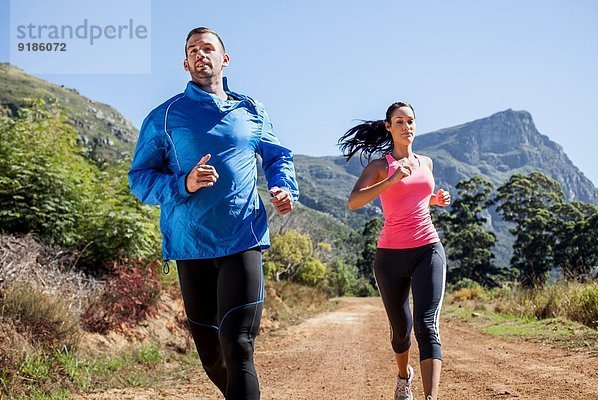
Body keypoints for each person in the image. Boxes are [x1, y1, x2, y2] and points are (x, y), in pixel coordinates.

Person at [128, 27, 298, 400]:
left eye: (208, 48)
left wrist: (283, 187)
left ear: (225, 59)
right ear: (185, 63)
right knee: (212, 357)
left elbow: (277, 156)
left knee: (238, 344)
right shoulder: (165, 117)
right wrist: (183, 184)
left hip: (243, 238)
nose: (201, 54)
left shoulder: (250, 110)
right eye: (193, 50)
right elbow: (139, 179)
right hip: (191, 246)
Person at [339, 102, 450, 400]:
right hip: (390, 256)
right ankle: (404, 376)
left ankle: (431, 397)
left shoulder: (426, 163)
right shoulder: (379, 166)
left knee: (427, 325)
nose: (406, 126)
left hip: (428, 248)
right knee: (401, 331)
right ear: (388, 127)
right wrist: (390, 180)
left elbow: (416, 200)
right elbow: (353, 201)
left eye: (410, 121)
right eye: (399, 121)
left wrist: (434, 201)